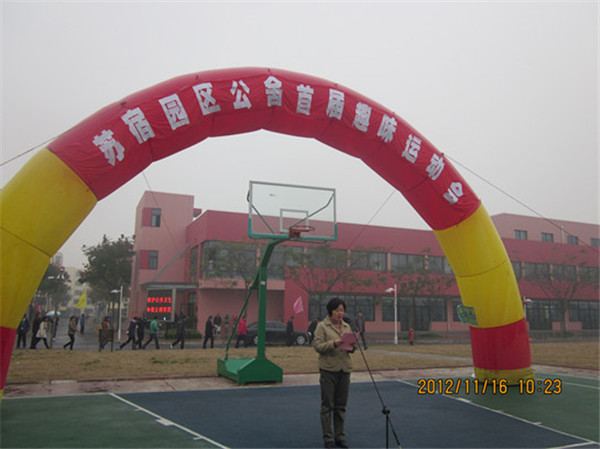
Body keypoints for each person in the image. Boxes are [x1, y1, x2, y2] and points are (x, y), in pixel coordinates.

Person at [313, 297, 355, 449]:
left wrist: (352, 345)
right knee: (327, 405)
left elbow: (350, 348)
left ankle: (340, 436)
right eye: (337, 310)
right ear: (331, 310)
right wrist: (333, 344)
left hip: (344, 369)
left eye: (342, 310)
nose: (340, 313)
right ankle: (328, 438)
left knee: (341, 405)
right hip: (329, 370)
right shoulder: (322, 326)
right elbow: (318, 346)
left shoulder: (346, 326)